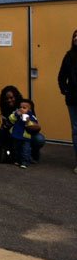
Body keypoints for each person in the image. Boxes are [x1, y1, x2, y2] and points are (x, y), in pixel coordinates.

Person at [58, 28, 77, 174]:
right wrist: (65, 90)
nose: (76, 38)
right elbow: (61, 77)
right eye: (75, 36)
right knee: (76, 130)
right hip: (73, 99)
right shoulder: (69, 56)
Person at [8, 98, 40, 169]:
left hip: (25, 137)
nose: (21, 109)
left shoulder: (31, 116)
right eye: (20, 107)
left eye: (24, 108)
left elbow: (35, 124)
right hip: (16, 135)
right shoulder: (17, 113)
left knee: (25, 150)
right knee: (16, 149)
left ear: (29, 110)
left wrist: (28, 122)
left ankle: (24, 162)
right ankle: (17, 160)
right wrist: (16, 114)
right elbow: (11, 119)